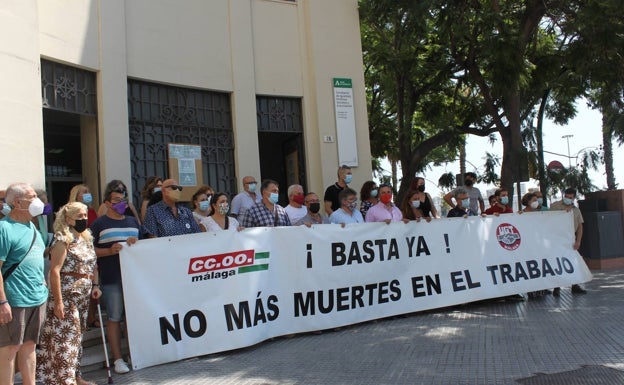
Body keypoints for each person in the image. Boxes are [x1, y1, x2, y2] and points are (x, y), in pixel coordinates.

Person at [36, 202, 101, 385]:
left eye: (85, 215)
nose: (84, 219)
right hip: (66, 295)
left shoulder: (86, 238)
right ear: (68, 218)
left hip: (83, 295)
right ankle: (65, 379)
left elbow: (93, 265)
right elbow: (54, 271)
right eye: (79, 216)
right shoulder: (62, 240)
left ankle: (76, 376)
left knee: (78, 337)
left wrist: (95, 285)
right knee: (66, 338)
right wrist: (58, 302)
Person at [89, 182, 141, 374]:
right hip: (112, 278)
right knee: (114, 317)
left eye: (124, 200)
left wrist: (135, 244)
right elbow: (89, 250)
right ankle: (117, 359)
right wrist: (109, 251)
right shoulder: (99, 224)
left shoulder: (133, 222)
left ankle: (133, 354)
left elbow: (144, 246)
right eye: (117, 200)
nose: (122, 204)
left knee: (132, 318)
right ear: (107, 203)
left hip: (134, 279)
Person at [0, 183, 48, 385]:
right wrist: (2, 302)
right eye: (32, 197)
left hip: (37, 297)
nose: (37, 201)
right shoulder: (4, 228)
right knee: (10, 349)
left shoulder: (33, 227)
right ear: (17, 202)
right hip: (14, 299)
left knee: (29, 346)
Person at [550, 187, 587, 295]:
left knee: (573, 263)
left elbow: (580, 226)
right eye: (566, 196)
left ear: (574, 198)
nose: (567, 199)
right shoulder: (555, 206)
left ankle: (574, 285)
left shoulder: (576, 210)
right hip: (557, 239)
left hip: (571, 239)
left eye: (570, 197)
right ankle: (557, 287)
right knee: (558, 263)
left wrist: (578, 241)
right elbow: (546, 219)